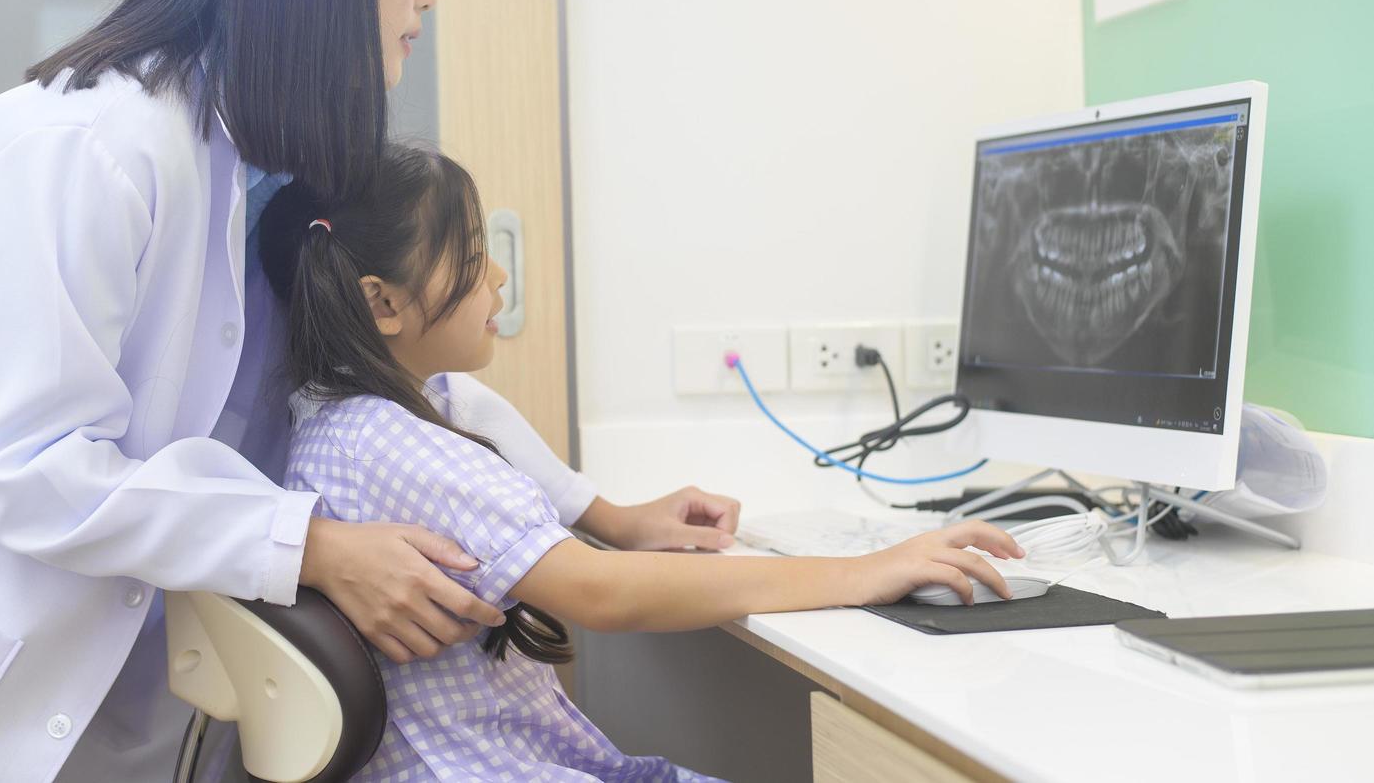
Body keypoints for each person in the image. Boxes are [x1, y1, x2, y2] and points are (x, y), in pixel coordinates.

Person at [0, 0, 735, 779]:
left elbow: (415, 395)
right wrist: (316, 545)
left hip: (126, 687)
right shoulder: (95, 152)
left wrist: (608, 510)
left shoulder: (263, 171)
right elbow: (30, 466)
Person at [260, 146, 1026, 781]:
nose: (496, 279)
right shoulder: (394, 444)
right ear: (383, 305)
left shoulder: (356, 419)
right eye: (469, 257)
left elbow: (492, 427)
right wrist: (867, 571)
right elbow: (601, 593)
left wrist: (616, 520)